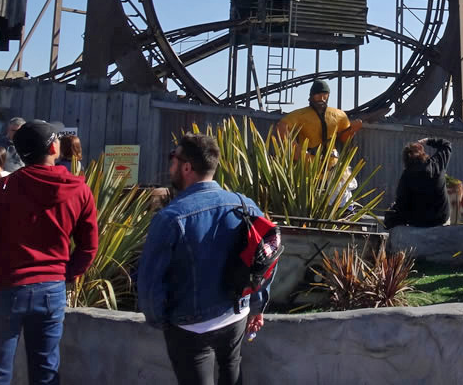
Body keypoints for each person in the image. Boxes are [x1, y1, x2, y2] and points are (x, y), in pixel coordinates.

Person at [0, 119, 99, 385]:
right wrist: (66, 274)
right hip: (51, 291)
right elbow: (89, 245)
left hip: (2, 289)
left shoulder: (0, 190)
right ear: (53, 149)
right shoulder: (79, 190)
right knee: (45, 371)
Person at [138, 133, 272, 385]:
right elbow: (264, 260)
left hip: (191, 327)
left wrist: (159, 320)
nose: (170, 165)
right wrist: (257, 305)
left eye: (173, 158)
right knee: (232, 371)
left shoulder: (170, 218)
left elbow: (150, 282)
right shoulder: (247, 206)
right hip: (236, 316)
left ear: (186, 166)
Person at [275, 79, 363, 157]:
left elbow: (344, 139)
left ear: (328, 95)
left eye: (325, 95)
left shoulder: (339, 115)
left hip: (332, 164)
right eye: (317, 95)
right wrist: (296, 150)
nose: (321, 98)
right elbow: (281, 127)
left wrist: (352, 130)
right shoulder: (301, 114)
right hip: (309, 163)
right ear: (311, 96)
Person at [383, 138, 452, 229]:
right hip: (441, 219)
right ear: (423, 154)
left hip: (418, 222)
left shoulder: (407, 176)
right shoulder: (437, 164)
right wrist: (428, 141)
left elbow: (401, 202)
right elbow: (446, 145)